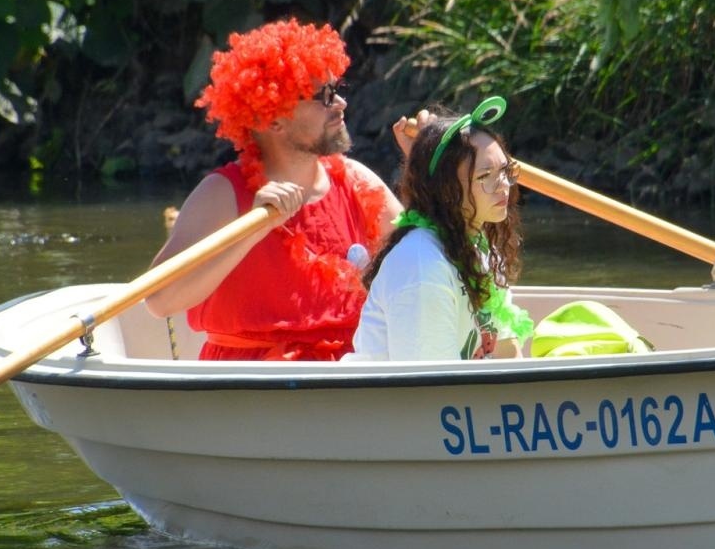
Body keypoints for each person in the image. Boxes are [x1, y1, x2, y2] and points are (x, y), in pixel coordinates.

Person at [145, 18, 403, 360]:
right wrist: (254, 230)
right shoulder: (222, 194)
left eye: (338, 89)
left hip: (351, 374)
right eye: (324, 95)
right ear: (273, 119)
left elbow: (423, 258)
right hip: (254, 388)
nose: (340, 103)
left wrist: (427, 167)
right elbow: (159, 299)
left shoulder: (358, 182)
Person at [346, 97, 533, 361]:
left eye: (504, 171)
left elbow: (508, 353)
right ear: (445, 189)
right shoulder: (422, 264)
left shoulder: (478, 244)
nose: (504, 186)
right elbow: (429, 386)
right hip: (400, 401)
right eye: (484, 176)